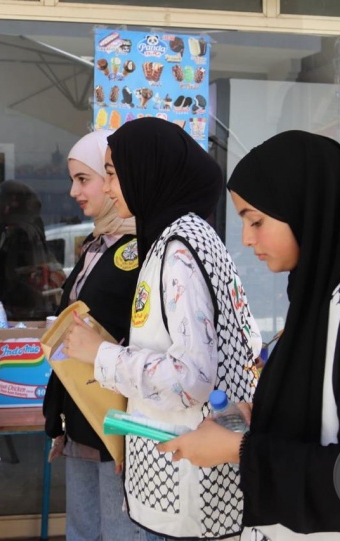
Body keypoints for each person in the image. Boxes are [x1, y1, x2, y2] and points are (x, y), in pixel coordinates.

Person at [157, 130, 340, 540]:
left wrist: (239, 450)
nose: (246, 238)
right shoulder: (323, 298)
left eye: (256, 220)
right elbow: (328, 417)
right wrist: (261, 421)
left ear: (309, 211)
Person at [62, 117, 261, 540]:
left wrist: (99, 353)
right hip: (184, 468)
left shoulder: (178, 251)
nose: (111, 188)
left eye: (113, 173)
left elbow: (191, 379)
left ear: (148, 171)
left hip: (185, 480)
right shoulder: (191, 236)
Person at [41, 130, 141, 541]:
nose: (73, 191)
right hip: (81, 412)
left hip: (116, 420)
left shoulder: (148, 247)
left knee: (119, 534)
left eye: (85, 179)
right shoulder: (96, 244)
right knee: (82, 532)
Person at [0, 179, 65, 320]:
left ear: (9, 205)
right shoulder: (28, 229)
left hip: (23, 312)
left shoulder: (20, 234)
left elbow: (12, 276)